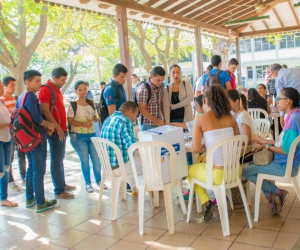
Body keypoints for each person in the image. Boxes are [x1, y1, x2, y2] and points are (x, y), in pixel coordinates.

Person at [243, 87, 300, 215]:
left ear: (288, 101)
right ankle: (272, 196)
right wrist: (266, 141)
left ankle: (277, 192)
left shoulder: (293, 120)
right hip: (287, 163)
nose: (277, 102)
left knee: (245, 170)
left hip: (284, 165)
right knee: (253, 167)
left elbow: (286, 150)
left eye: (279, 99)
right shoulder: (295, 115)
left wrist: (266, 147)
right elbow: (285, 144)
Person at [188, 84, 240, 222]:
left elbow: (195, 149)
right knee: (202, 167)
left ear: (205, 101)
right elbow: (237, 142)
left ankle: (207, 203)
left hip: (217, 175)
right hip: (235, 172)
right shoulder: (231, 118)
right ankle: (215, 201)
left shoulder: (200, 120)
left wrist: (207, 143)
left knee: (189, 171)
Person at [17, 70, 57, 212]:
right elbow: (36, 117)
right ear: (28, 82)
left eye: (40, 80)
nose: (40, 83)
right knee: (39, 170)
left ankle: (30, 198)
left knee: (31, 169)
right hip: (36, 139)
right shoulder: (31, 97)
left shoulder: (21, 97)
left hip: (26, 140)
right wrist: (49, 124)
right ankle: (41, 202)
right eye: (37, 81)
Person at [38, 67, 76, 199]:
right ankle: (59, 190)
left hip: (62, 128)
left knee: (60, 158)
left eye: (65, 80)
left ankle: (62, 184)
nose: (64, 82)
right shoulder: (45, 89)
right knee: (56, 160)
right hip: (55, 130)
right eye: (62, 80)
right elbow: (45, 111)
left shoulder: (57, 89)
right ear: (54, 78)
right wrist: (57, 128)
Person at [68, 80, 103, 193]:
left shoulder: (91, 102)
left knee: (96, 159)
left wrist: (94, 119)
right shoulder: (72, 105)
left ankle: (99, 181)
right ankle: (88, 183)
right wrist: (83, 124)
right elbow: (70, 121)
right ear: (76, 91)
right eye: (80, 89)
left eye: (85, 89)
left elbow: (95, 116)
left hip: (92, 134)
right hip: (78, 136)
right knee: (84, 160)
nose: (83, 91)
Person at [100, 101, 142, 195]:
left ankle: (135, 189)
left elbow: (118, 137)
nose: (135, 118)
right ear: (130, 111)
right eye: (136, 115)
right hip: (120, 168)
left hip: (107, 166)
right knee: (148, 160)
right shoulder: (125, 121)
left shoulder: (108, 119)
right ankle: (153, 189)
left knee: (131, 159)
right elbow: (132, 146)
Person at [1, 76, 26, 191]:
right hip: (7, 134)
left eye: (15, 85)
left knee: (22, 155)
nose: (14, 87)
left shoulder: (16, 98)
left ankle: (24, 177)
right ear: (5, 86)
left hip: (18, 132)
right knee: (9, 159)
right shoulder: (2, 100)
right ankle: (11, 180)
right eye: (12, 85)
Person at [0, 80, 18, 207]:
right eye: (0, 87)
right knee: (1, 170)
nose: (2, 88)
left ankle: (4, 198)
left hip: (7, 139)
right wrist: (9, 123)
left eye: (2, 86)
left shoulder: (1, 101)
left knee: (6, 168)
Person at [136, 66, 165, 131]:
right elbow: (142, 110)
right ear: (151, 76)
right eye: (158, 80)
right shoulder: (143, 89)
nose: (160, 83)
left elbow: (161, 103)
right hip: (147, 124)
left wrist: (163, 119)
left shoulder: (161, 86)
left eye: (162, 80)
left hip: (159, 122)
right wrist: (157, 121)